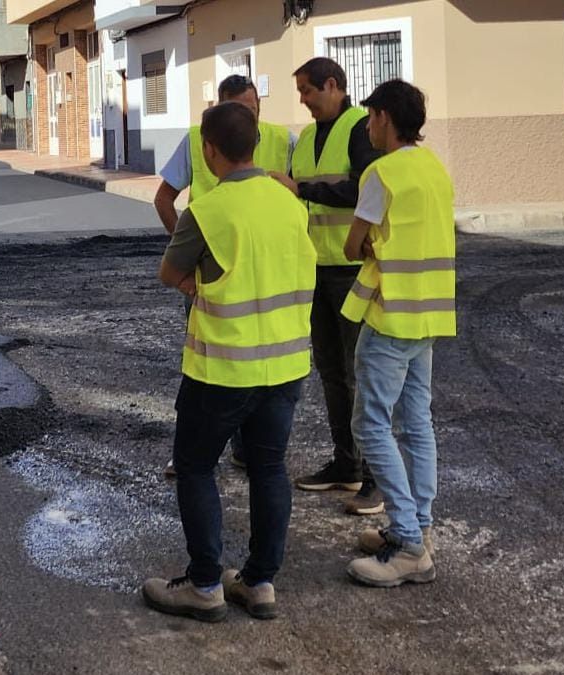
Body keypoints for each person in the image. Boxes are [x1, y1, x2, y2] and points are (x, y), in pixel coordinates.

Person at [141, 101, 316, 623]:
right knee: (268, 468)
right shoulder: (289, 203)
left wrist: (203, 289)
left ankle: (204, 585)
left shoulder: (208, 211)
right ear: (256, 145)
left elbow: (170, 273)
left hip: (222, 369)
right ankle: (260, 583)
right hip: (285, 365)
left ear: (210, 150)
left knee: (195, 467)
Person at [340, 79, 454, 587]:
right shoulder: (434, 169)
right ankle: (418, 530)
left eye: (371, 117)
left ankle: (409, 545)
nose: (368, 126)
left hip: (389, 319)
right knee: (417, 424)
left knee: (370, 427)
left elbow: (352, 244)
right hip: (427, 317)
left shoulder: (381, 173)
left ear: (385, 117)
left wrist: (367, 247)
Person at [153, 75, 296, 477]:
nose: (247, 116)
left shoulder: (281, 140)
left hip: (267, 278)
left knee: (259, 370)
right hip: (213, 277)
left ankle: (245, 449)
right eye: (238, 108)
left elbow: (300, 196)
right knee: (207, 368)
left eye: (252, 108)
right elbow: (164, 198)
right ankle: (205, 448)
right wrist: (189, 251)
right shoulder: (197, 140)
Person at [271, 57, 384, 516]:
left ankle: (376, 478)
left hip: (351, 269)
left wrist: (301, 190)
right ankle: (346, 463)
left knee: (362, 375)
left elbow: (365, 191)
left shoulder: (360, 128)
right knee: (332, 373)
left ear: (332, 85)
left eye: (307, 90)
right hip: (316, 268)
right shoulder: (309, 137)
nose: (302, 99)